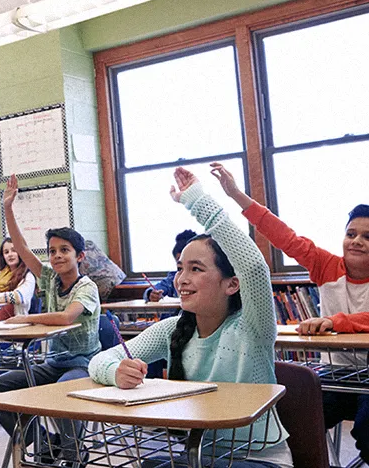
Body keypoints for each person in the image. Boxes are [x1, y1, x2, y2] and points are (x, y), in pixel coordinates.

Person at [89, 166, 292, 467]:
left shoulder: (251, 327)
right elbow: (99, 360)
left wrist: (196, 199)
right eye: (180, 268)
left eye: (196, 269)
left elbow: (253, 266)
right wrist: (115, 371)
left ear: (232, 284)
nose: (181, 279)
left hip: (258, 459)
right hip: (200, 457)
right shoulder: (172, 329)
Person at [212, 161, 369, 462]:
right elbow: (283, 236)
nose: (357, 241)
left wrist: (334, 321)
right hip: (334, 376)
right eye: (351, 234)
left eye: (367, 237)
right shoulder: (326, 265)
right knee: (289, 417)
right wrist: (236, 194)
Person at [0, 174, 101, 462]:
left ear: (80, 256)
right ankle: (45, 441)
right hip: (53, 363)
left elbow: (67, 317)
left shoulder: (87, 287)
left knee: (60, 392)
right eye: (53, 251)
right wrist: (7, 208)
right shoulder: (50, 279)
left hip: (84, 364)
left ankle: (74, 453)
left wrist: (25, 319)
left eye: (64, 251)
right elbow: (22, 248)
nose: (57, 256)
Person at [0, 191, 36, 321]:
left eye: (14, 250)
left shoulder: (28, 276)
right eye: (6, 252)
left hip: (16, 326)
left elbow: (18, 297)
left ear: (21, 252)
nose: (10, 255)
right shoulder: (0, 271)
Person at [143, 229, 197, 302]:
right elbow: (158, 288)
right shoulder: (172, 279)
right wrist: (152, 294)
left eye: (194, 268)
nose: (182, 278)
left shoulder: (205, 278)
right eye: (180, 268)